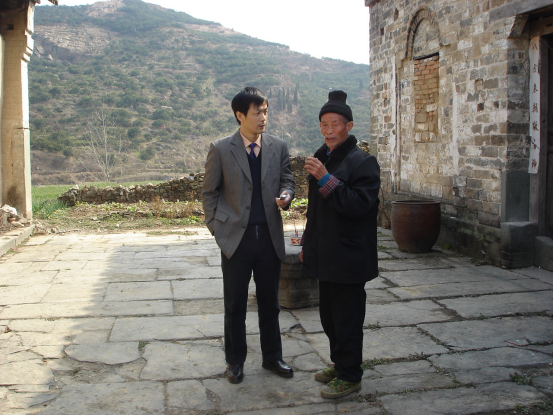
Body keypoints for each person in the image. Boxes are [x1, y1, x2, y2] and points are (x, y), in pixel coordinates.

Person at [202, 87, 295, 384]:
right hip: (235, 239)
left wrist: (286, 195)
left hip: (269, 236)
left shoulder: (278, 146)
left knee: (270, 303)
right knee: (235, 304)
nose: (263, 118)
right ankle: (235, 361)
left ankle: (272, 357)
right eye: (257, 113)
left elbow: (288, 180)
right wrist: (216, 228)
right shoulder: (221, 149)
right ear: (240, 115)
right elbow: (209, 192)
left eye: (265, 111)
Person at [299, 90, 380, 399]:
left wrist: (325, 178)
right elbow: (316, 211)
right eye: (324, 124)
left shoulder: (363, 162)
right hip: (326, 253)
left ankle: (350, 375)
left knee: (347, 318)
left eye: (335, 124)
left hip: (349, 256)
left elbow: (358, 206)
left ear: (349, 126)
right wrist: (307, 243)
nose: (329, 130)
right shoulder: (324, 157)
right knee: (329, 317)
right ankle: (340, 363)